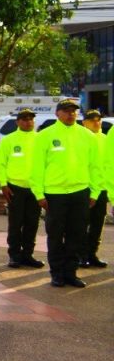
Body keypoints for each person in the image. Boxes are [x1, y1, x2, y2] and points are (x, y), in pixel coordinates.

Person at [30, 99, 100, 288]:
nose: (71, 114)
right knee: (55, 235)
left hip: (80, 193)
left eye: (74, 111)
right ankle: (57, 274)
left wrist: (94, 192)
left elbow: (95, 167)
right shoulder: (45, 136)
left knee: (76, 235)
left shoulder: (87, 136)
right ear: (57, 114)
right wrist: (39, 194)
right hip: (55, 194)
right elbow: (36, 168)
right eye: (66, 111)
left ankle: (71, 273)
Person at [0, 109, 43, 268]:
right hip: (15, 188)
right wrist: (3, 184)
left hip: (35, 189)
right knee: (15, 223)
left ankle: (28, 255)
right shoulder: (9, 140)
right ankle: (14, 255)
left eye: (30, 119)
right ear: (17, 122)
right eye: (24, 119)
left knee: (32, 223)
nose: (28, 122)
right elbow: (0, 164)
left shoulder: (40, 139)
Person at [81, 110, 109, 268]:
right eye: (92, 120)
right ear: (84, 122)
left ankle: (92, 254)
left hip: (102, 188)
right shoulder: (81, 138)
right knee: (82, 224)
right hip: (85, 188)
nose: (96, 122)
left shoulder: (105, 139)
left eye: (98, 120)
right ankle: (81, 255)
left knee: (97, 224)